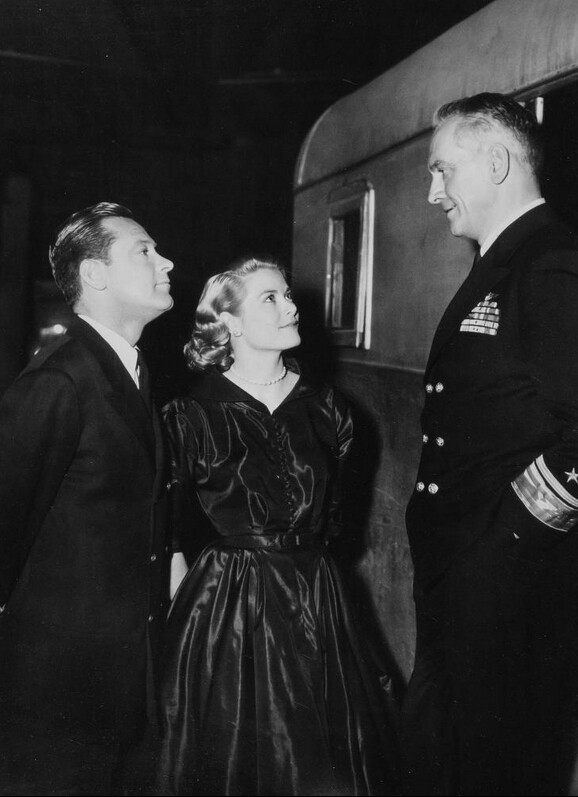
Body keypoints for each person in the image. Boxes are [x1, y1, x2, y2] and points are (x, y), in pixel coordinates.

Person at [154, 256, 400, 796]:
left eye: (287, 295)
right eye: (271, 298)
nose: (290, 307)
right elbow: (168, 524)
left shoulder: (329, 408)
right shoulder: (190, 415)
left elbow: (340, 520)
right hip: (227, 602)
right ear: (230, 322)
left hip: (317, 592)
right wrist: (179, 594)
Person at [401, 92, 578, 797]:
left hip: (510, 583)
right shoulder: (503, 260)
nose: (432, 192)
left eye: (442, 170)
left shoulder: (551, 263)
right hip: (466, 573)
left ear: (497, 163)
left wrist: (503, 545)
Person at [0, 202, 175, 796]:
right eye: (145, 251)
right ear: (94, 274)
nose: (166, 263)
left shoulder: (130, 371)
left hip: (118, 681)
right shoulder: (59, 380)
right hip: (55, 693)